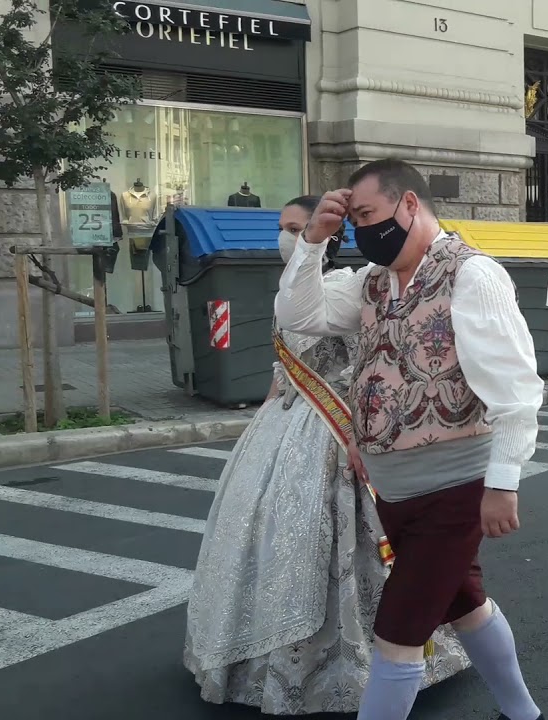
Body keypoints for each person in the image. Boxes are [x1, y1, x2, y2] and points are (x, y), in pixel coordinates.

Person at [274, 160, 546, 720]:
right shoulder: (372, 282)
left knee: (396, 631)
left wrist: (503, 485)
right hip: (396, 493)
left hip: (455, 487)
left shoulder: (471, 275)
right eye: (355, 222)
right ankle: (525, 715)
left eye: (369, 216)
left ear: (410, 206)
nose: (364, 230)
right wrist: (314, 243)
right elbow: (299, 316)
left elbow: (517, 392)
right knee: (465, 604)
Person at [184, 196, 470, 714]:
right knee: (271, 536)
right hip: (287, 425)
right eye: (284, 228)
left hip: (340, 432)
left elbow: (372, 366)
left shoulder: (345, 286)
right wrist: (265, 421)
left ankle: (363, 661)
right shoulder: (292, 291)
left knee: (347, 543)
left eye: (298, 228)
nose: (287, 235)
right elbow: (284, 370)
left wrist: (364, 434)